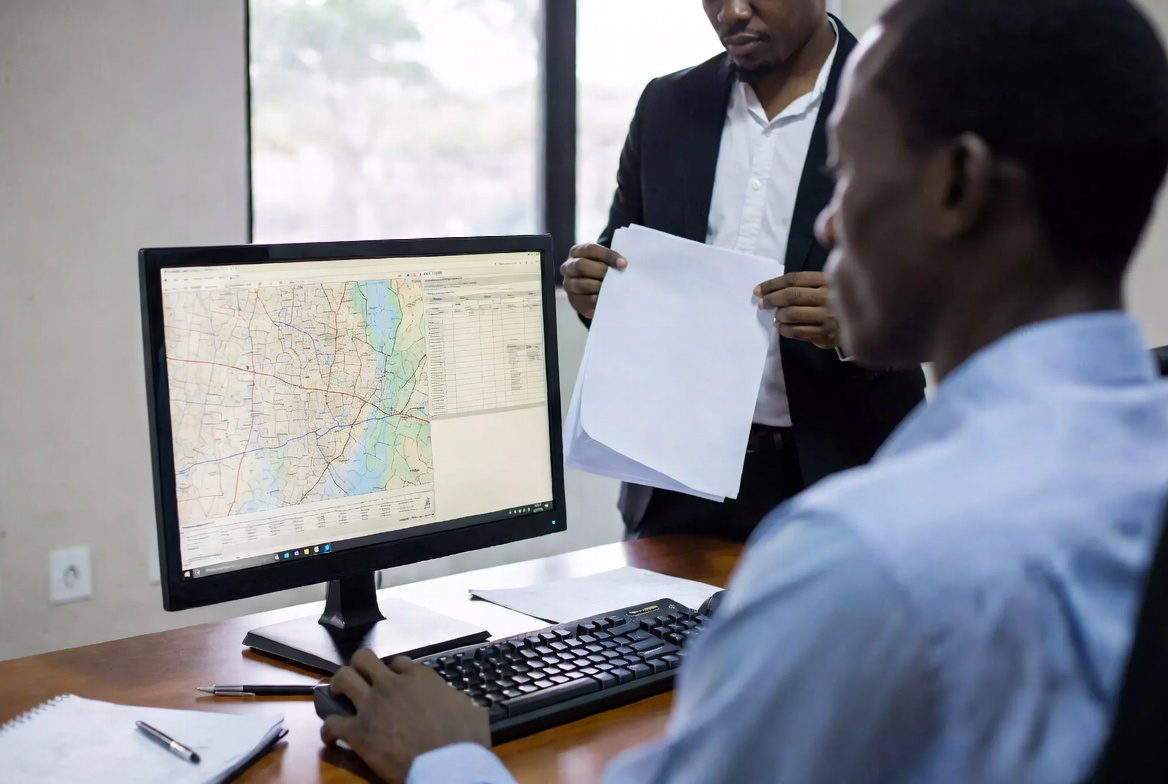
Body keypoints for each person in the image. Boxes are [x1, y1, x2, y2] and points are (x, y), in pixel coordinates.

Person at [320, 0, 1168, 781]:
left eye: (855, 170)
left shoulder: (862, 558)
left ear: (956, 186)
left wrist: (447, 759)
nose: (830, 224)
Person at [562, 0, 927, 542]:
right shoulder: (667, 105)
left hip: (844, 482)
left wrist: (864, 324)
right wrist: (596, 292)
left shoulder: (909, 104)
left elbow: (970, 299)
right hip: (671, 483)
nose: (731, 12)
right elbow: (624, 265)